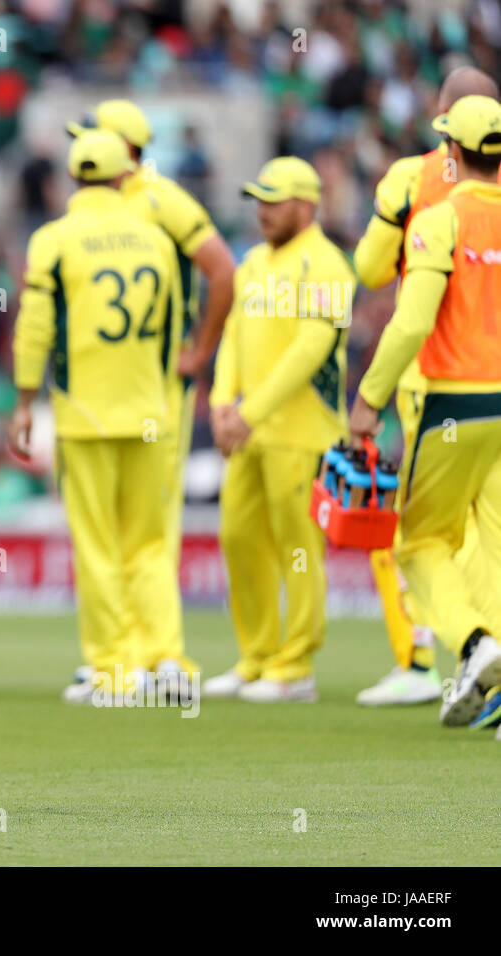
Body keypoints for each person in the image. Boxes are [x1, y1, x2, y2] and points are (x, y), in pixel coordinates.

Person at [10, 129, 183, 704]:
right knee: (150, 545)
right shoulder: (156, 238)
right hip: (148, 413)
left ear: (74, 180)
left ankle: (114, 671)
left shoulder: (54, 240)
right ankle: (166, 661)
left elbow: (35, 329)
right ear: (123, 176)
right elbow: (173, 327)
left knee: (98, 545)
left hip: (84, 417)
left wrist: (26, 402)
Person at [66, 100, 235, 688]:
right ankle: (141, 657)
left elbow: (222, 269)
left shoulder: (160, 197)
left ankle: (146, 657)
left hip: (149, 392)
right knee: (135, 528)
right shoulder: (137, 201)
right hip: (124, 390)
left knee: (141, 527)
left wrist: (199, 352)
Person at [350, 94, 501, 736]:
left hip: (453, 404)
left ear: (450, 149)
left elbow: (411, 320)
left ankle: (474, 644)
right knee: (493, 543)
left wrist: (368, 399)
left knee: (419, 543)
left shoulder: (439, 219)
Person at [205, 157, 354, 703]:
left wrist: (248, 411)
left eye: (274, 200)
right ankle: (258, 657)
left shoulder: (330, 265)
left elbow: (311, 352)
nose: (262, 211)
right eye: (259, 200)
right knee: (239, 539)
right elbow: (232, 340)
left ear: (306, 204)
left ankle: (296, 668)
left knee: (297, 549)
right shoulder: (251, 263)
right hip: (250, 431)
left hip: (302, 433)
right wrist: (223, 404)